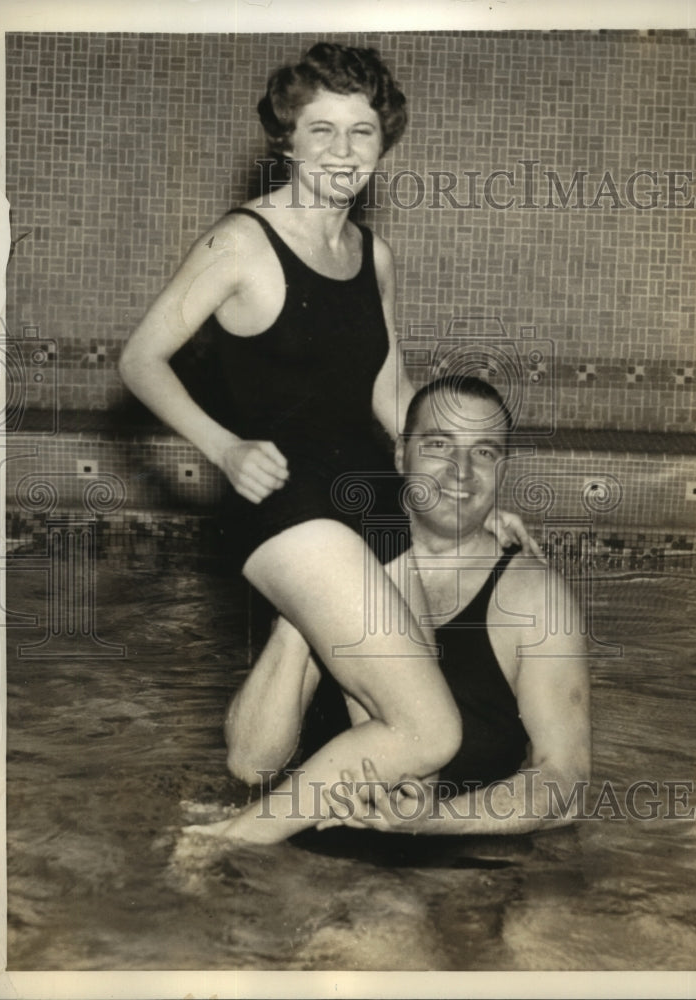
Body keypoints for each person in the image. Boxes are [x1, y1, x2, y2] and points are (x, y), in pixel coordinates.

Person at [120, 43, 534, 844]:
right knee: (428, 732)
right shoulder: (240, 243)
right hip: (289, 503)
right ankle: (220, 847)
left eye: (362, 132)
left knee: (304, 765)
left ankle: (288, 674)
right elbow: (140, 358)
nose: (342, 153)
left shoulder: (372, 256)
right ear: (287, 138)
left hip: (371, 499)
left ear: (385, 143)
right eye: (322, 131)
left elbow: (391, 395)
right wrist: (225, 447)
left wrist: (472, 499)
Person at [226, 376, 592, 835]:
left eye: (484, 451)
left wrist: (430, 822)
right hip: (313, 870)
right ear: (401, 454)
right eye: (440, 444)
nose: (461, 470)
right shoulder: (342, 572)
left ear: (502, 469)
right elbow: (250, 765)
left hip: (460, 876)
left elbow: (565, 781)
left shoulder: (534, 598)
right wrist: (301, 608)